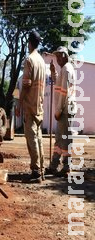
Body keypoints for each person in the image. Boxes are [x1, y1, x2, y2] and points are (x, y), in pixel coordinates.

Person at [19, 30, 46, 182]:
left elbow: (26, 84)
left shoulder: (29, 60)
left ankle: (35, 172)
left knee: (31, 138)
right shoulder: (41, 61)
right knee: (39, 138)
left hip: (30, 106)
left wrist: (20, 103)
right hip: (39, 105)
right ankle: (41, 169)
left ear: (29, 43)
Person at [46, 46, 77, 177]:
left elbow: (64, 93)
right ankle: (54, 165)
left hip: (65, 109)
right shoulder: (64, 69)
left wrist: (58, 111)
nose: (57, 58)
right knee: (59, 139)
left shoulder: (67, 69)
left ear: (65, 56)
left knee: (65, 139)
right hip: (63, 109)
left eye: (59, 56)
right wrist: (53, 72)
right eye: (56, 56)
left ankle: (66, 166)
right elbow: (58, 82)